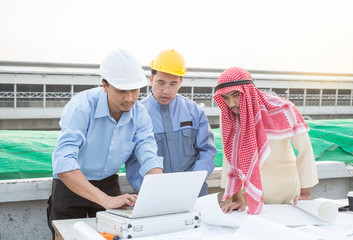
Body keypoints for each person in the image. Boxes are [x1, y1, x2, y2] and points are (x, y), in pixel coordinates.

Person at [47, 49, 163, 238]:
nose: (130, 98)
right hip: (71, 186)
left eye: (134, 90)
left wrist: (158, 188)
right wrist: (104, 200)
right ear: (105, 85)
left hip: (109, 184)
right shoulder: (81, 108)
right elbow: (63, 163)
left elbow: (148, 150)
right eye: (121, 91)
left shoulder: (140, 113)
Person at [213, 67, 318, 215]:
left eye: (236, 95)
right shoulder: (229, 116)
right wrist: (236, 199)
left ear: (248, 92)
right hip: (249, 197)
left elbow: (305, 150)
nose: (231, 104)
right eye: (226, 98)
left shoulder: (283, 108)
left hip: (287, 194)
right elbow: (230, 158)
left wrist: (305, 193)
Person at [125, 49, 217, 196]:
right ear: (151, 79)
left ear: (181, 82)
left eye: (173, 84)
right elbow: (132, 162)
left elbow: (208, 151)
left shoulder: (194, 111)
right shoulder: (137, 114)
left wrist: (192, 182)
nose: (166, 91)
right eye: (161, 82)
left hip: (194, 194)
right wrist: (149, 190)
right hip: (155, 197)